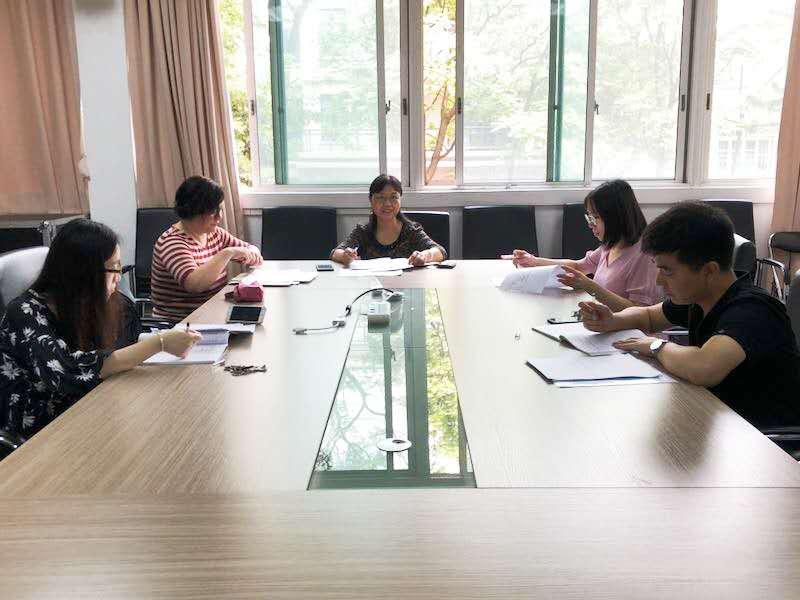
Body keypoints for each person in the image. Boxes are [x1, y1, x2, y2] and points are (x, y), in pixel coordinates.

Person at [579, 201, 800, 431]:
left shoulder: (753, 310)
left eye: (667, 271)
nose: (659, 281)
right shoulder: (701, 294)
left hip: (762, 437)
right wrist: (613, 320)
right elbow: (649, 316)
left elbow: (704, 367)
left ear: (709, 270)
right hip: (716, 417)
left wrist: (655, 346)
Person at [0, 219, 201, 439]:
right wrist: (159, 343)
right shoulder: (23, 313)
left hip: (91, 408)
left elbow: (114, 351)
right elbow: (67, 373)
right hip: (42, 431)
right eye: (113, 268)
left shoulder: (85, 303)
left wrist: (156, 343)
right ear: (83, 272)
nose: (118, 278)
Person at [511, 180, 661, 311]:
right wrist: (533, 260)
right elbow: (578, 266)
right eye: (589, 217)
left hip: (629, 332)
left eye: (595, 218)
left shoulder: (644, 255)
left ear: (615, 218)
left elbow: (639, 311)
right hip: (605, 323)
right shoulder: (610, 246)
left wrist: (589, 286)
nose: (590, 225)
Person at [151, 176, 263, 322]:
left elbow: (250, 248)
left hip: (211, 316)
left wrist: (251, 253)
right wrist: (227, 253)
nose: (219, 216)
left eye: (220, 210)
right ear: (196, 211)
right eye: (214, 211)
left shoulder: (215, 234)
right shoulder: (172, 243)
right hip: (181, 324)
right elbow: (194, 284)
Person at [331, 174, 446, 267]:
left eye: (393, 197)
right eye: (380, 197)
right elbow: (335, 252)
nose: (387, 204)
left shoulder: (410, 231)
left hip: (405, 284)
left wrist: (425, 256)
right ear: (371, 200)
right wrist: (345, 256)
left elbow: (440, 251)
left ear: (400, 199)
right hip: (372, 286)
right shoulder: (363, 231)